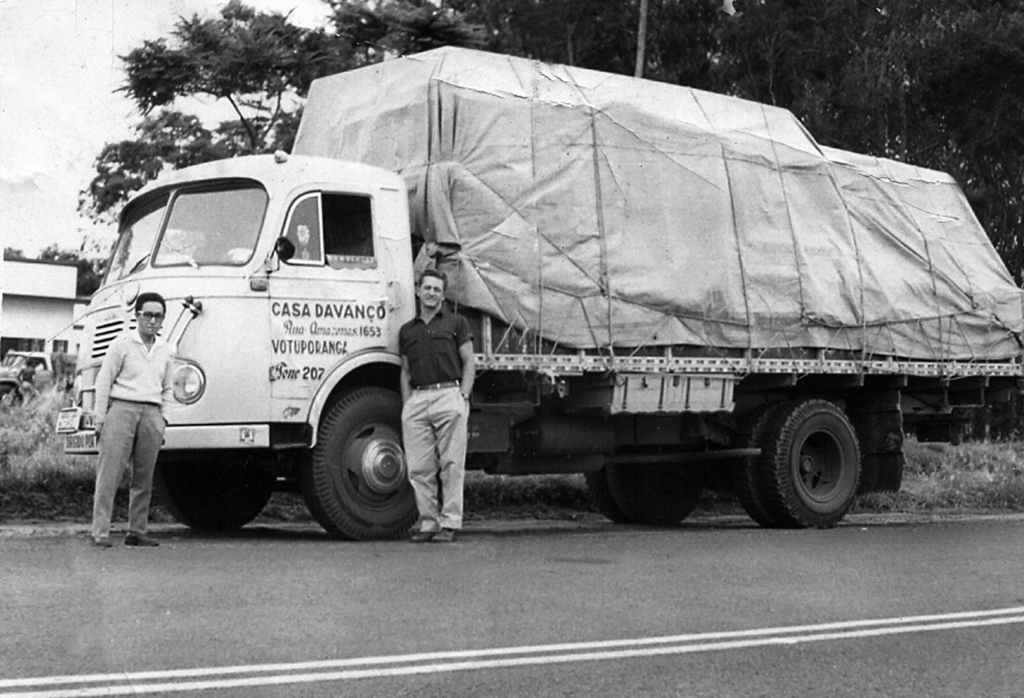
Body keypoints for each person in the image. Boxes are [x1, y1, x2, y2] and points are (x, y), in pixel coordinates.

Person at [90, 292, 175, 548]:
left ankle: (137, 531)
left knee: (144, 476)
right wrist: (100, 418)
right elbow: (103, 381)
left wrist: (164, 420)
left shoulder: (166, 350)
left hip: (152, 413)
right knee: (110, 473)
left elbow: (168, 387)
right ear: (137, 315)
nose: (152, 321)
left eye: (158, 316)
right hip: (122, 410)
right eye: (147, 315)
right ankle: (100, 532)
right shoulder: (121, 344)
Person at [399, 269, 475, 543]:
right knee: (419, 468)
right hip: (418, 400)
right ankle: (428, 523)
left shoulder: (456, 323)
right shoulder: (407, 330)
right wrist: (408, 405)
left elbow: (469, 361)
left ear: (442, 295)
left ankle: (450, 523)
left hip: (448, 396)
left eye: (436, 289)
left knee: (452, 464)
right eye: (427, 288)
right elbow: (405, 371)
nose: (431, 293)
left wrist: (462, 397)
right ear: (418, 291)